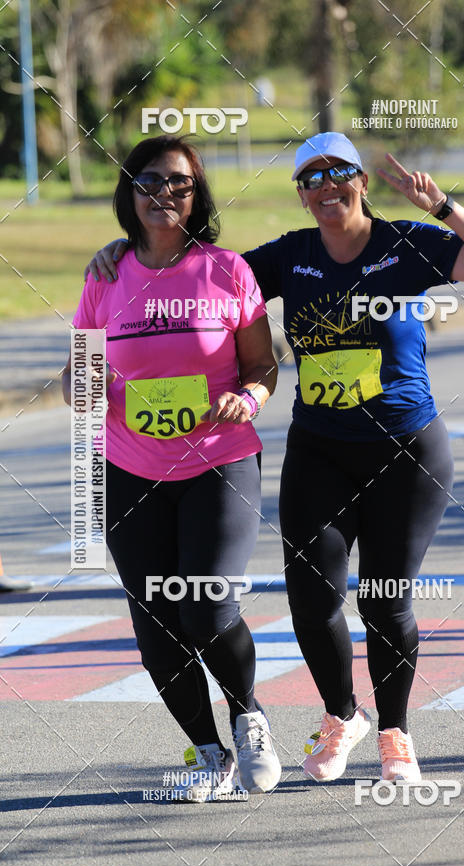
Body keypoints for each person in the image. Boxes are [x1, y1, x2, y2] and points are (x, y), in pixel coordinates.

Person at [86, 132, 464, 785]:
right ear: (301, 193)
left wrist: (444, 205)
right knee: (312, 598)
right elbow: (199, 270)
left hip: (405, 447)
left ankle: (396, 733)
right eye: (310, 178)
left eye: (338, 172)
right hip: (320, 448)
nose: (325, 187)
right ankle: (342, 716)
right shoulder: (292, 255)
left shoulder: (404, 242)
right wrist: (124, 251)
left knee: (384, 599)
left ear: (360, 180)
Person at [65, 135, 281, 800]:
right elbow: (82, 368)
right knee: (155, 615)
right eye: (149, 181)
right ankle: (209, 754)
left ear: (198, 196)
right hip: (131, 469)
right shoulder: (105, 275)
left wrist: (248, 398)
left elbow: (262, 366)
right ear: (129, 192)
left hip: (219, 462)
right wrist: (80, 383)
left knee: (206, 606)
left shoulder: (225, 272)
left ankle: (249, 715)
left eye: (179, 184)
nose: (163, 194)